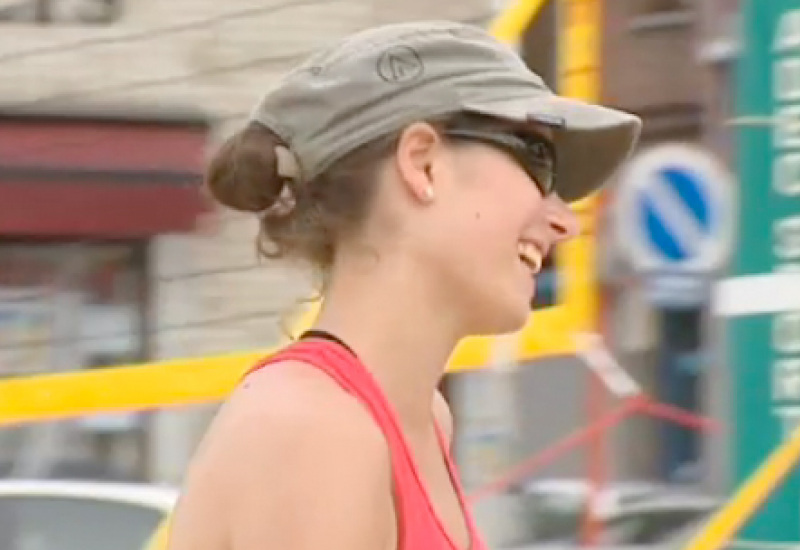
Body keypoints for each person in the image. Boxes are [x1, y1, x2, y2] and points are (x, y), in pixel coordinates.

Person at [166, 20, 641, 550]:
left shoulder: (414, 418)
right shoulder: (314, 430)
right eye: (538, 162)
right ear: (422, 163)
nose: (564, 221)